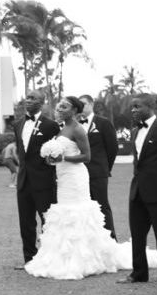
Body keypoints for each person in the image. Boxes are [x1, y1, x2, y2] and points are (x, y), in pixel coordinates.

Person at [25, 97, 137, 280]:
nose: (59, 108)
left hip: (76, 178)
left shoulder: (77, 129)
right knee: (65, 215)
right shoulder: (62, 128)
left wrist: (63, 159)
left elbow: (86, 156)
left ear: (75, 110)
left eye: (65, 106)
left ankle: (84, 259)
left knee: (77, 214)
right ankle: (64, 257)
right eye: (59, 105)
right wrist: (51, 158)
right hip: (63, 178)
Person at [118, 93, 157, 287]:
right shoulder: (135, 131)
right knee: (137, 235)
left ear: (149, 107)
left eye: (137, 106)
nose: (133, 110)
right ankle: (139, 273)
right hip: (137, 192)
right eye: (132, 107)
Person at [12, 90, 60, 267]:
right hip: (23, 182)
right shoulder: (17, 125)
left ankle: (51, 259)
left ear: (42, 102)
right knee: (26, 223)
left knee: (48, 222)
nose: (28, 100)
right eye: (27, 98)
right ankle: (29, 260)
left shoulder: (51, 125)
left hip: (44, 182)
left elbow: (56, 153)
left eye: (33, 98)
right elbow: (20, 151)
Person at [78, 94, 118, 239]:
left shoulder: (103, 123)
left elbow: (112, 148)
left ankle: (110, 240)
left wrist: (105, 168)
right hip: (78, 175)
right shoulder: (74, 124)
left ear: (91, 104)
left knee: (101, 206)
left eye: (84, 104)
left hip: (98, 173)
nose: (81, 107)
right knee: (83, 208)